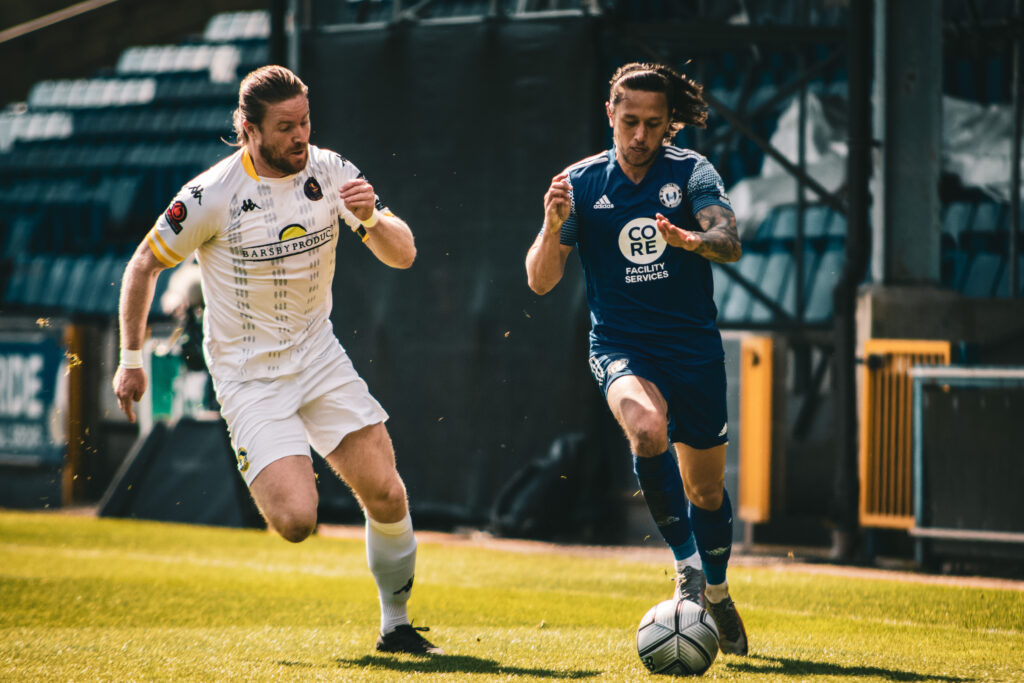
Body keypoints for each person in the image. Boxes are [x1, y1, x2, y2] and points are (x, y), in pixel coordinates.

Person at [112, 65, 443, 656]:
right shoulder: (210, 195)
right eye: (286, 127)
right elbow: (143, 264)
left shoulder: (331, 171)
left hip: (319, 357)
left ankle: (396, 626)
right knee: (295, 522)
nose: (300, 137)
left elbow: (405, 255)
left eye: (305, 122)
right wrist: (130, 358)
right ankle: (269, 449)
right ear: (249, 129)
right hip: (249, 376)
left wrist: (372, 218)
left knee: (388, 494)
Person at [525, 62, 748, 656]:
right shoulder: (579, 185)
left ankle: (717, 592)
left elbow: (730, 242)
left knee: (706, 490)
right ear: (610, 114)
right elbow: (540, 281)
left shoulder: (692, 172)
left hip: (693, 349)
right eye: (630, 122)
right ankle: (687, 569)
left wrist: (691, 240)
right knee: (646, 429)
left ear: (669, 122)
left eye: (654, 123)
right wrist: (551, 227)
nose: (641, 135)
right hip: (622, 346)